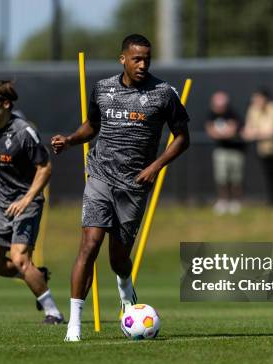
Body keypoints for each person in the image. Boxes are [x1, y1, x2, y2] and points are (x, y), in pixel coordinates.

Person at [51, 34, 190, 342]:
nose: (142, 65)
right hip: (99, 175)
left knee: (118, 258)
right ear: (123, 59)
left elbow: (182, 138)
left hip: (134, 185)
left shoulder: (163, 93)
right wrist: (72, 140)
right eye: (136, 59)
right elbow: (93, 125)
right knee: (89, 246)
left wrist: (155, 166)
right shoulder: (102, 89)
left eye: (147, 60)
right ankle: (74, 323)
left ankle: (125, 285)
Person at [0, 80, 63, 324]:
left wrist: (27, 199)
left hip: (27, 203)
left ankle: (53, 312)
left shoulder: (24, 132)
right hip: (1, 204)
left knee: (19, 259)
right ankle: (36, 276)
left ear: (6, 104)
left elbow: (45, 168)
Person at [242, 87, 273, 206]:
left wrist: (255, 133)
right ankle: (272, 202)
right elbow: (247, 131)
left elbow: (272, 131)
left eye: (258, 98)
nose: (256, 101)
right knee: (268, 176)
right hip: (263, 150)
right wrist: (258, 133)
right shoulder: (253, 109)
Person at [205, 91, 245, 215]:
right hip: (221, 151)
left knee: (236, 178)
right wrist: (223, 133)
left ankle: (235, 202)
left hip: (236, 151)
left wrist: (223, 133)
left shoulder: (232, 113)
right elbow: (211, 131)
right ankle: (223, 201)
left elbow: (232, 131)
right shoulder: (211, 115)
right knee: (221, 178)